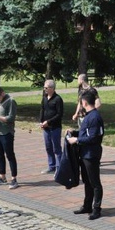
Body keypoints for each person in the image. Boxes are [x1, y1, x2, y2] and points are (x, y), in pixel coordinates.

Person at [67, 90, 104, 220]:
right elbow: (86, 133)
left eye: (81, 102)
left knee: (94, 183)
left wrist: (77, 140)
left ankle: (96, 209)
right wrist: (75, 133)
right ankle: (87, 205)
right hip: (85, 154)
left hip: (91, 155)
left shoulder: (94, 117)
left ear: (84, 102)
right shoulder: (89, 116)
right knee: (87, 182)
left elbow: (94, 138)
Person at [39, 79, 64, 174]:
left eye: (46, 87)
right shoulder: (44, 98)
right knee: (48, 147)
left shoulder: (58, 99)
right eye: (44, 87)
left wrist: (48, 122)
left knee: (56, 148)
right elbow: (42, 109)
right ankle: (51, 166)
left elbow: (59, 114)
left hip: (55, 128)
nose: (44, 89)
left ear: (52, 88)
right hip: (46, 128)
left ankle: (59, 167)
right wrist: (41, 121)